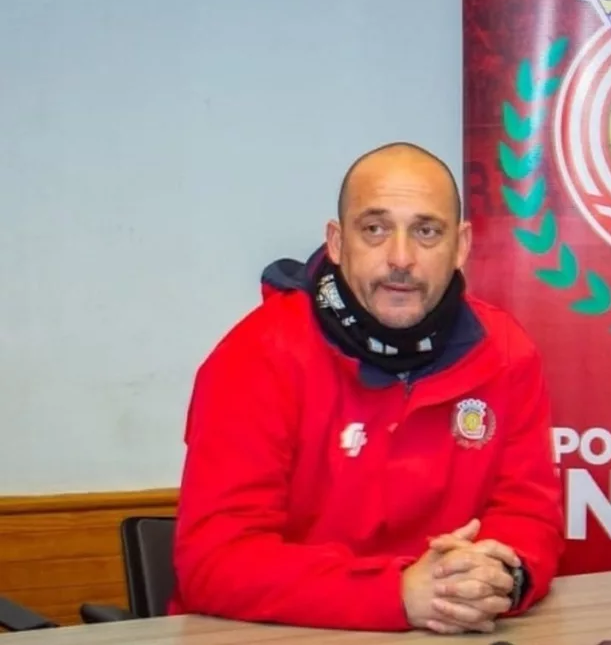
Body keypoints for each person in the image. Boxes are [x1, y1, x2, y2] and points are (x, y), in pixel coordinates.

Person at [168, 142, 565, 634]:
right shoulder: (256, 355)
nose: (401, 258)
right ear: (337, 242)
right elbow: (215, 562)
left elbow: (529, 515)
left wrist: (499, 575)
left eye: (426, 231)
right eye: (375, 229)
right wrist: (397, 593)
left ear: (460, 247)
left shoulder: (506, 352)